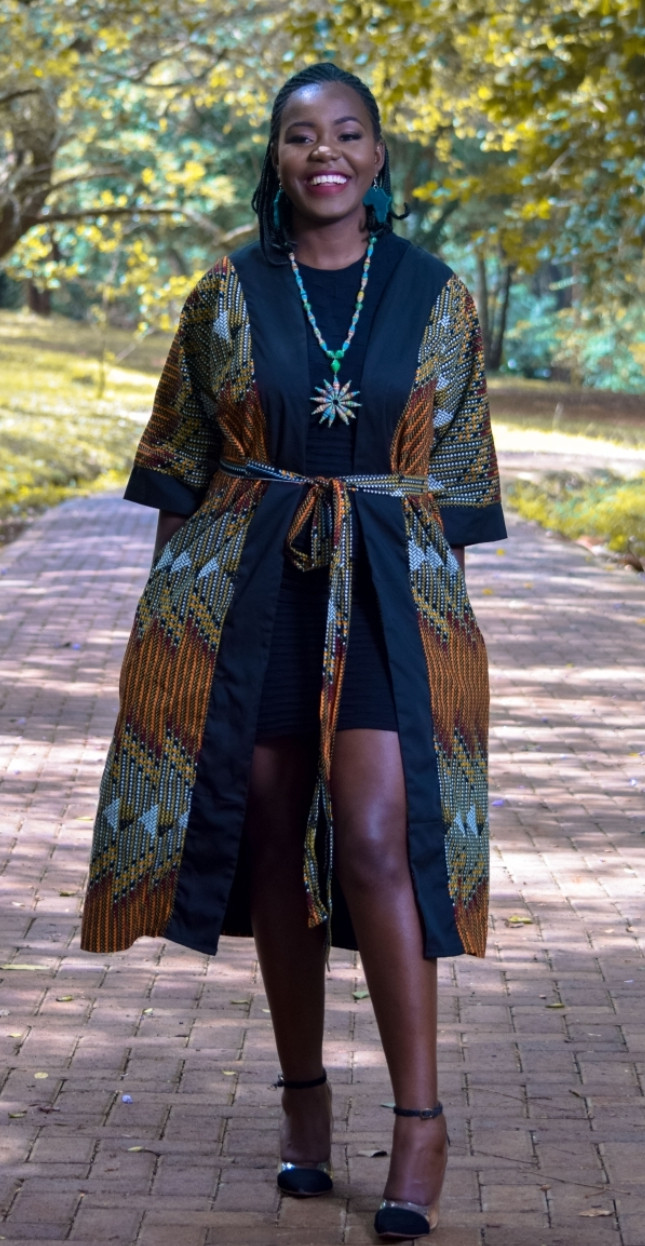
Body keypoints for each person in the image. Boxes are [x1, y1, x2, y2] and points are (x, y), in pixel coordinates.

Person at [81, 62, 506, 1240]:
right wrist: (169, 639)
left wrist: (447, 656)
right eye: (301, 135)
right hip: (252, 586)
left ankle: (419, 1120)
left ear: (378, 155)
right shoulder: (226, 290)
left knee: (372, 837)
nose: (326, 152)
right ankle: (304, 1100)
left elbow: (458, 483)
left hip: (390, 594)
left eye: (348, 133)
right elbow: (179, 467)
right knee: (273, 840)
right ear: (274, 159)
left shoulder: (436, 294)